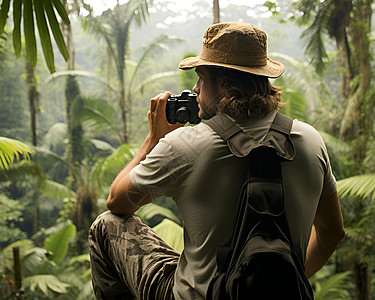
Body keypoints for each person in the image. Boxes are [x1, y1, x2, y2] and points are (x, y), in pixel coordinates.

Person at [88, 22, 345, 300]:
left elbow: (117, 201)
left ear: (223, 83)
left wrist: (152, 140)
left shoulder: (184, 146)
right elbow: (332, 232)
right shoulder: (310, 140)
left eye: (201, 78)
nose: (196, 89)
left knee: (106, 225)